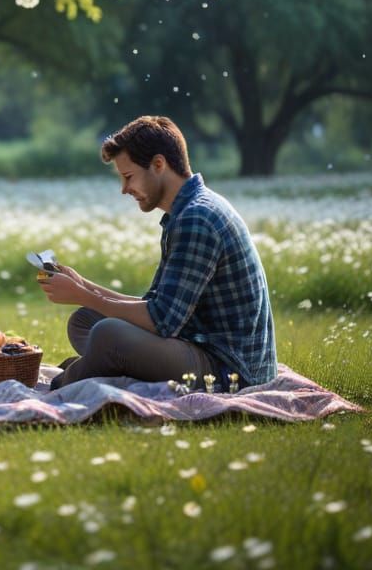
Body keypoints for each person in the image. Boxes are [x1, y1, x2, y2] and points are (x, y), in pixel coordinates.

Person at [39, 115, 277, 390]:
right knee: (85, 320)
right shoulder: (184, 211)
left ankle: (66, 380)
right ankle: (104, 361)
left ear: (158, 165)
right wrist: (84, 287)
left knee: (107, 333)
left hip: (227, 368)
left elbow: (160, 321)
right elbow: (156, 305)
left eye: (128, 177)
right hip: (191, 340)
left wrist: (84, 294)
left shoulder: (197, 218)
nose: (124, 189)